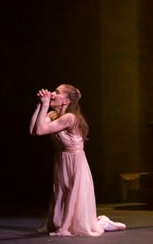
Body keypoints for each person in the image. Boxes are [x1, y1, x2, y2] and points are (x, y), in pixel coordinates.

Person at [29, 84, 126, 237]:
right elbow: (34, 130)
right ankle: (93, 221)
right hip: (61, 161)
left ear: (66, 101)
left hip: (74, 162)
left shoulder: (70, 118)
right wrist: (40, 105)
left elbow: (41, 130)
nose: (53, 94)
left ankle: (103, 223)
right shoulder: (54, 115)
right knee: (58, 217)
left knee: (76, 215)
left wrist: (46, 104)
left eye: (57, 92)